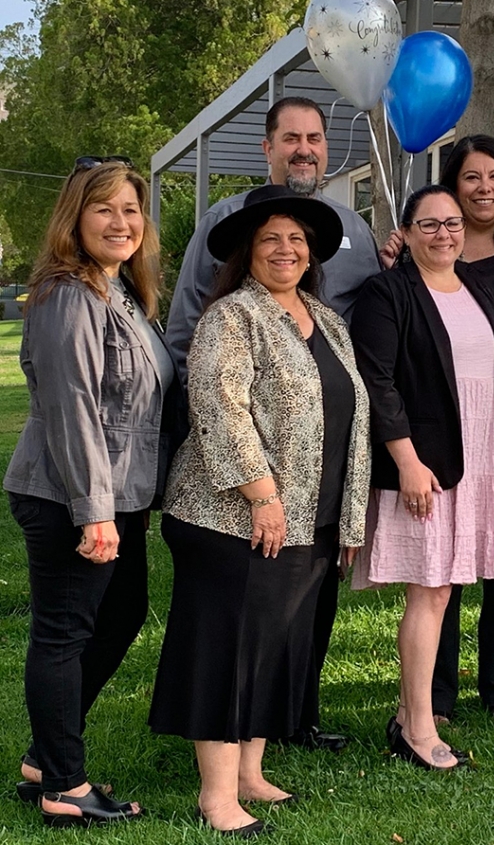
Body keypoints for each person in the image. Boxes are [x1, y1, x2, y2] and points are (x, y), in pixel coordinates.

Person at [149, 185, 371, 834]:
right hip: (230, 518)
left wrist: (348, 517)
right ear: (248, 252)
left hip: (311, 521)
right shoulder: (231, 316)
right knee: (226, 648)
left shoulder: (326, 320)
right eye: (271, 238)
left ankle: (250, 772)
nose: (286, 248)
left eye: (296, 238)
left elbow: (351, 420)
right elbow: (220, 407)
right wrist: (262, 494)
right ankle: (217, 797)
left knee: (274, 645)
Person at [166, 96, 380, 754]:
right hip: (243, 495)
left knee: (290, 624)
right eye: (291, 138)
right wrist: (256, 489)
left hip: (312, 492)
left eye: (314, 138)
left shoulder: (341, 279)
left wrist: (345, 514)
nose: (305, 149)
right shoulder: (229, 299)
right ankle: (224, 779)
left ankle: (282, 734)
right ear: (269, 146)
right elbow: (210, 385)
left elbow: (357, 376)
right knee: (239, 630)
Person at [6, 159, 183, 828]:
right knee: (64, 633)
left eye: (131, 209)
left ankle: (45, 759)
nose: (121, 222)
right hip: (69, 496)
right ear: (75, 219)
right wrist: (94, 513)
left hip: (121, 494)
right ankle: (64, 788)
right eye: (104, 208)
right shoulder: (65, 294)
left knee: (123, 613)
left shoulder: (123, 293)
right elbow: (72, 405)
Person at [381, 135, 494, 723]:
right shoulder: (411, 256)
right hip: (443, 435)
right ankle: (437, 698)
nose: (484, 188)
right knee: (441, 567)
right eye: (470, 178)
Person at [351, 185, 494, 770]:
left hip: (477, 453)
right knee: (432, 588)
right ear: (408, 231)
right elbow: (378, 379)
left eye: (452, 223)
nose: (444, 234)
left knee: (444, 588)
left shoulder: (478, 288)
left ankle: (407, 715)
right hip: (427, 460)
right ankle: (417, 726)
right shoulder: (388, 292)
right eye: (429, 224)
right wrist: (408, 461)